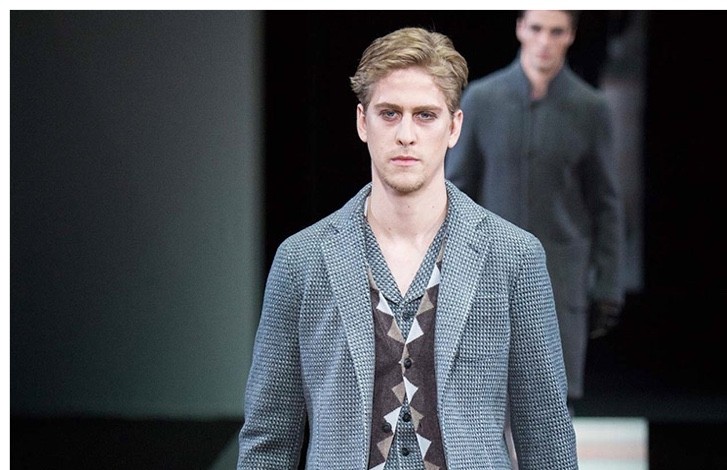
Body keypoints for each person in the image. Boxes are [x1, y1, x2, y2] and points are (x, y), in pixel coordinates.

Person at [237, 26, 577, 469]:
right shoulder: (302, 260)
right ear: (363, 122)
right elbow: (269, 439)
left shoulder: (514, 257)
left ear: (454, 126)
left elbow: (546, 435)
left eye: (425, 115)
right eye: (390, 113)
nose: (406, 134)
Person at [445, 10, 625, 406]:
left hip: (561, 280)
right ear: (520, 29)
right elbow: (455, 192)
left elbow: (605, 203)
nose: (545, 41)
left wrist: (609, 285)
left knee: (551, 405)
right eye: (537, 29)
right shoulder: (482, 100)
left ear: (571, 35)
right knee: (485, 401)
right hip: (488, 277)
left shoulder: (590, 108)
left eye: (556, 31)